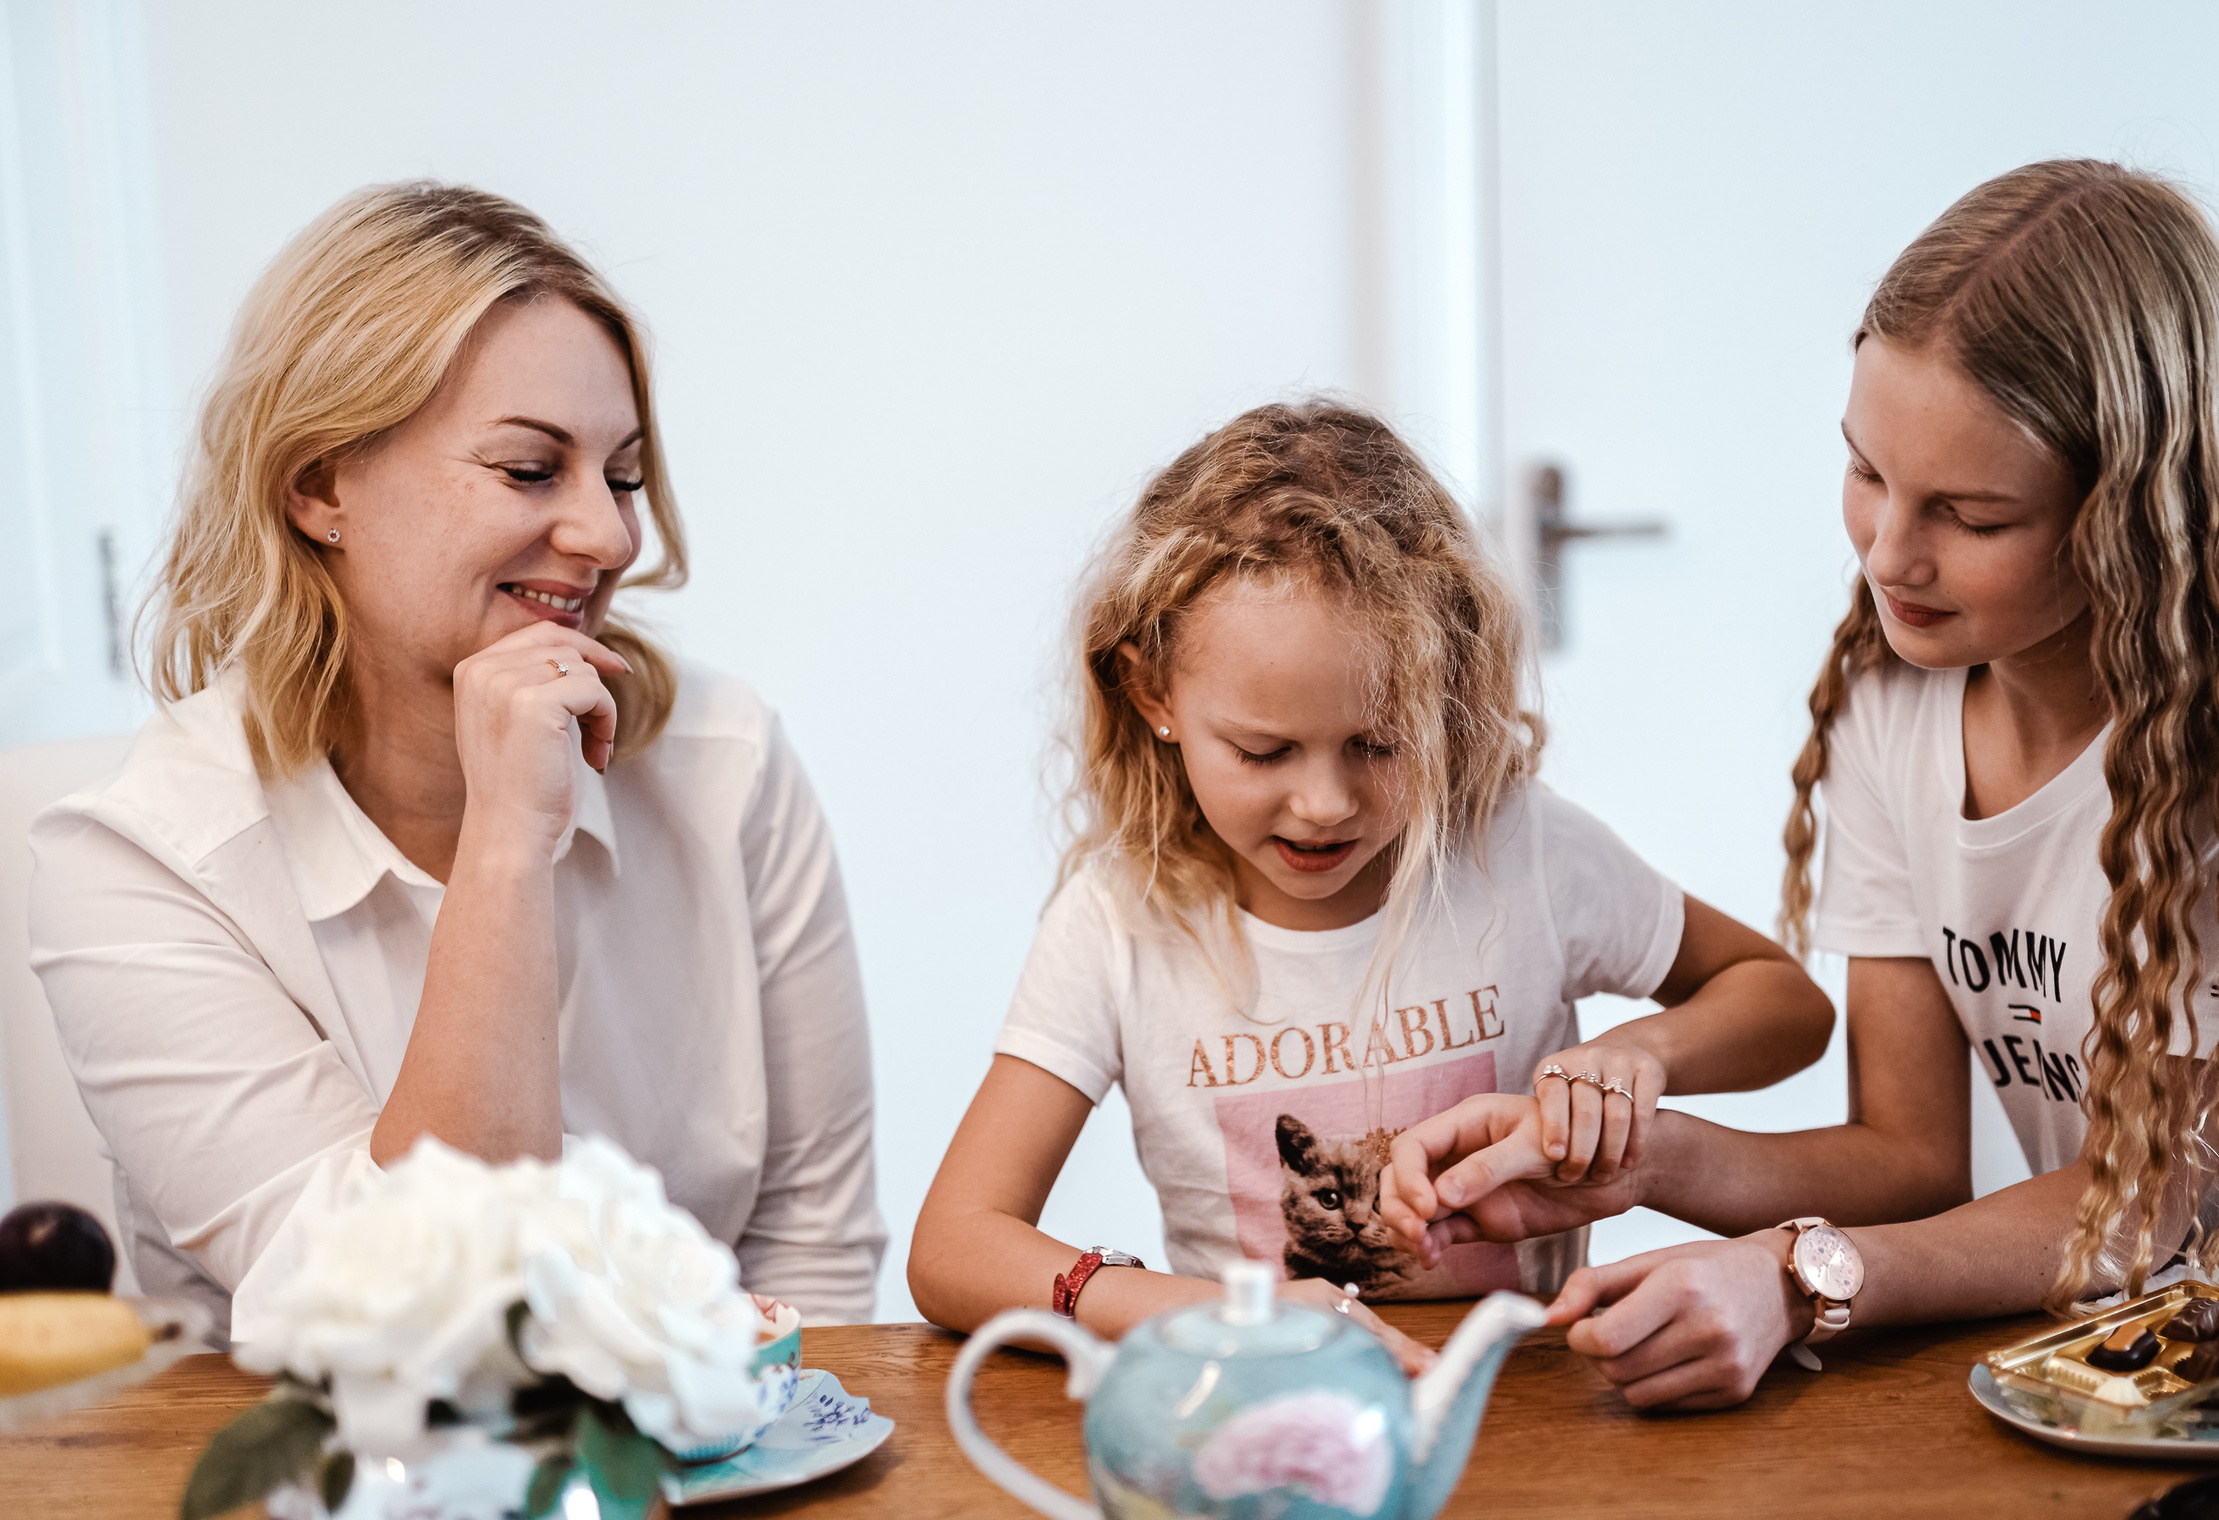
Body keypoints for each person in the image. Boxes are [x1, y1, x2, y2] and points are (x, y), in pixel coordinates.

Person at [1384, 159, 2219, 1410]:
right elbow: (1910, 1158)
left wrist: (1801, 1274)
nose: (1888, 554)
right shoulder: (1894, 704)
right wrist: (1636, 1164)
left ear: (2134, 512)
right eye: (1867, 473)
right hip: (2131, 1305)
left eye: (1972, 517)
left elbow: (2166, 1195)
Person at [28, 183, 884, 1345]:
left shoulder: (721, 766)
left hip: (723, 1476)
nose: (610, 535)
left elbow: (810, 1259)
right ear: (322, 483)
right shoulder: (133, 861)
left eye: (622, 476)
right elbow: (405, 1323)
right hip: (322, 1502)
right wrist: (503, 853)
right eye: (533, 470)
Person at [908, 400, 1834, 1369]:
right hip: (1265, 1415)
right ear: (1151, 696)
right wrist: (1208, 1316)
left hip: (1521, 1410)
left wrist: (1641, 1051)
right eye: (1263, 751)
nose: (1323, 803)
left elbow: (1786, 1005)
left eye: (1377, 743)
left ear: (1446, 697)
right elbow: (955, 1245)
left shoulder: (1519, 848)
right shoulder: (1118, 919)